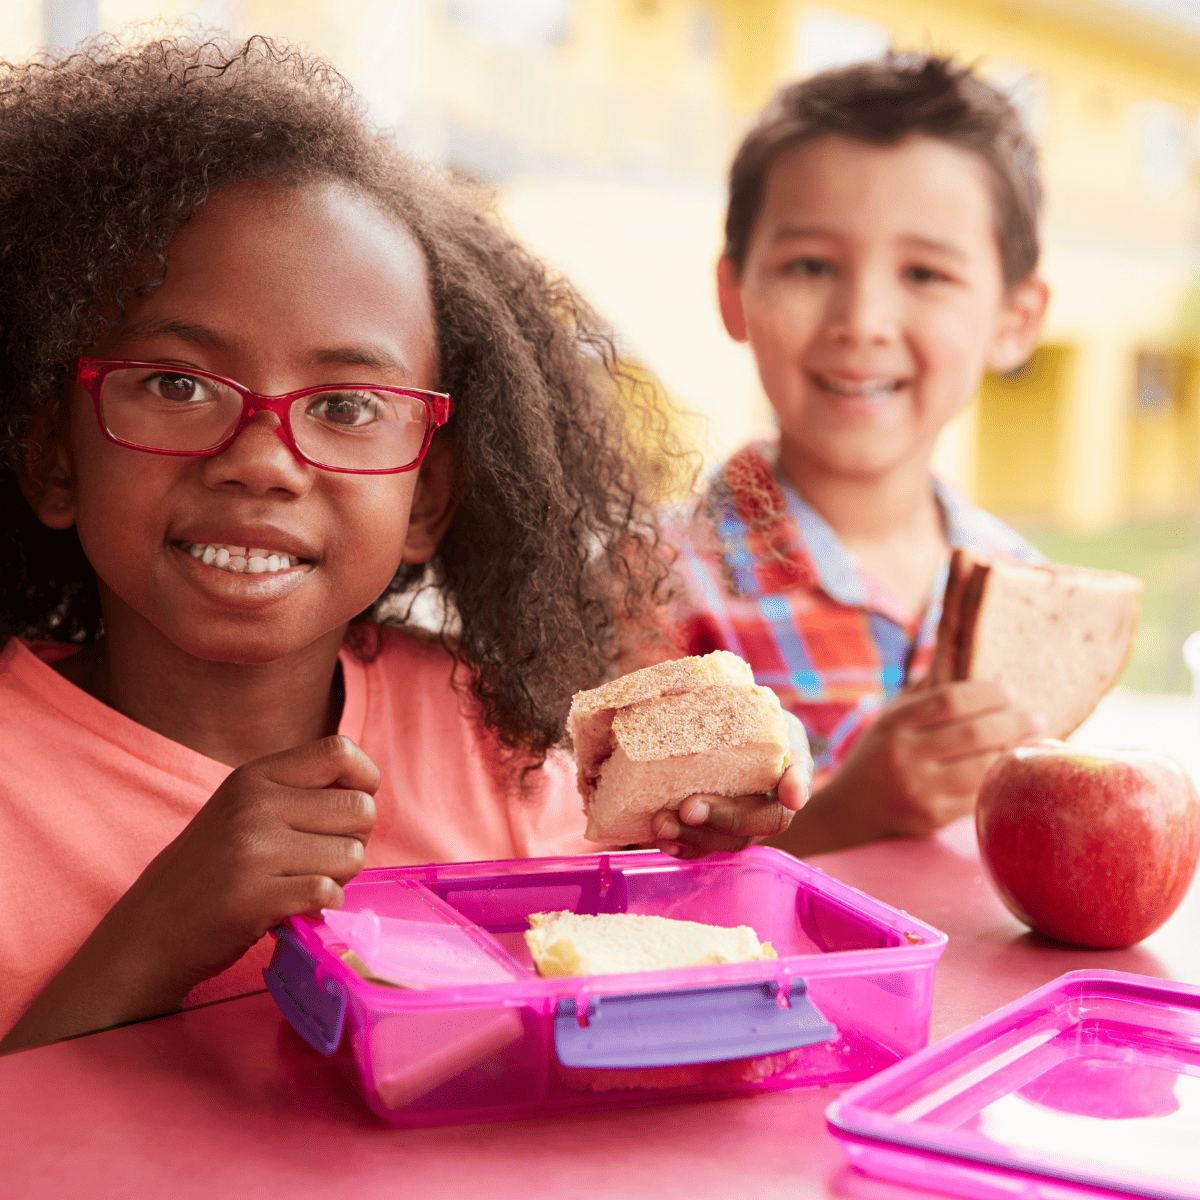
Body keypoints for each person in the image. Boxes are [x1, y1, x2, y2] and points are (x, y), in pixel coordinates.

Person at [0, 35, 805, 1049]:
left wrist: (707, 847)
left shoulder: (480, 740)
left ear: (428, 495)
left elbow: (625, 1011)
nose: (263, 460)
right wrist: (148, 948)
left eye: (344, 404)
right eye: (178, 385)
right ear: (52, 461)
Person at [660, 55, 1050, 857]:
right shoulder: (653, 585)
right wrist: (845, 812)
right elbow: (624, 879)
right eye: (811, 265)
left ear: (1015, 318)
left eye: (925, 273)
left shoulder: (1027, 586)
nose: (863, 319)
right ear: (735, 294)